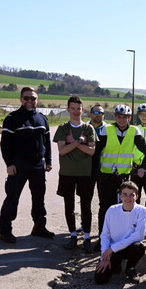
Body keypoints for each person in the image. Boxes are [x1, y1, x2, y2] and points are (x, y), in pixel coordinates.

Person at [0, 87, 54, 243]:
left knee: (39, 198)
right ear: (21, 99)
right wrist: (9, 164)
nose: (30, 101)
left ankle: (39, 227)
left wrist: (48, 161)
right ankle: (4, 230)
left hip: (38, 165)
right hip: (19, 164)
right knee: (12, 198)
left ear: (37, 99)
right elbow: (5, 144)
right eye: (26, 98)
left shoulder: (43, 119)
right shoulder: (12, 118)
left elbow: (47, 143)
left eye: (33, 98)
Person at [95, 104, 146, 251]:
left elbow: (145, 150)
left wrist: (145, 165)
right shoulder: (108, 130)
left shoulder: (134, 131)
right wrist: (95, 170)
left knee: (125, 209)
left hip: (124, 177)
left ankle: (122, 240)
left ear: (129, 118)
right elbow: (97, 150)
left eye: (125, 117)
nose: (122, 119)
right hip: (107, 175)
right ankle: (102, 239)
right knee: (105, 208)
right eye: (119, 116)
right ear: (115, 117)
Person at [53, 96, 97, 252]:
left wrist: (73, 142)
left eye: (78, 108)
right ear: (68, 109)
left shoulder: (88, 128)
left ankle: (86, 236)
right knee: (69, 205)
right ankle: (72, 234)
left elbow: (91, 151)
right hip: (67, 173)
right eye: (72, 108)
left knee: (86, 206)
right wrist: (79, 142)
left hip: (85, 174)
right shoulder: (63, 128)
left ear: (82, 110)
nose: (76, 111)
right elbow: (62, 151)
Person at [94, 181, 146, 285]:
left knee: (139, 247)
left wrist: (111, 249)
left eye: (131, 195)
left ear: (137, 196)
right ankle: (116, 264)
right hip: (113, 250)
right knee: (100, 279)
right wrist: (104, 256)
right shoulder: (112, 210)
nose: (128, 198)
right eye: (125, 194)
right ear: (120, 196)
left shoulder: (142, 211)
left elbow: (139, 235)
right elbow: (105, 234)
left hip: (129, 248)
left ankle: (130, 268)